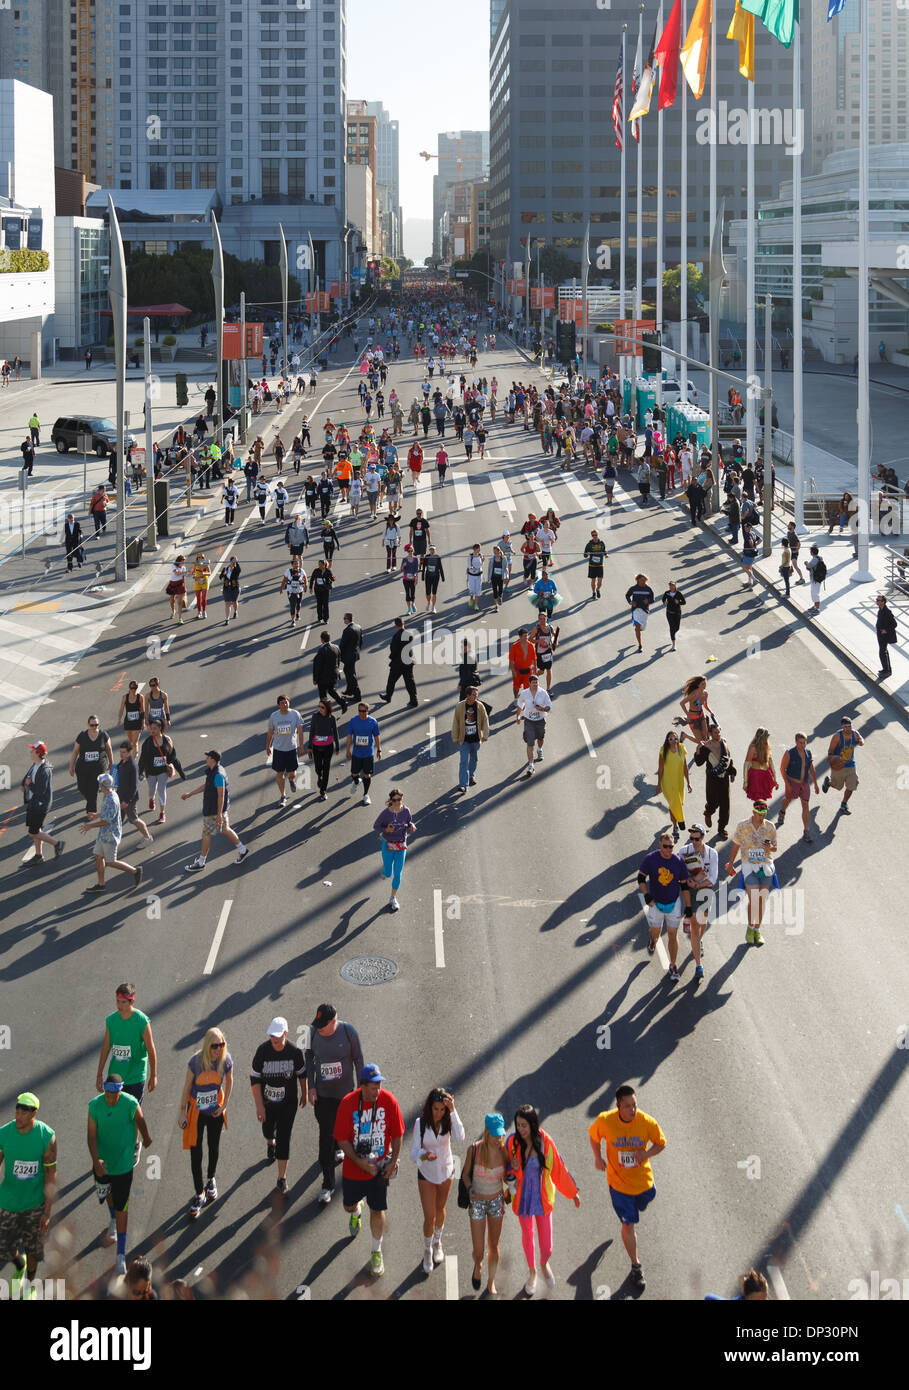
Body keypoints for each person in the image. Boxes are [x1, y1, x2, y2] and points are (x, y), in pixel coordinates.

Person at [588, 1085, 666, 1291]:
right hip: (619, 1186)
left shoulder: (646, 1122)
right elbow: (594, 1136)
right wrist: (598, 1158)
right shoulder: (606, 1121)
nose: (633, 1110)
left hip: (643, 1183)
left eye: (635, 1105)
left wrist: (646, 1155)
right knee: (629, 1224)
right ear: (618, 1106)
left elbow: (661, 1143)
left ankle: (635, 1210)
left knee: (649, 1197)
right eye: (628, 1106)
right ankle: (636, 1266)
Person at [333, 1063, 405, 1277]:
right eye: (373, 1087)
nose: (377, 1091)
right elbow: (341, 1139)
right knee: (348, 1206)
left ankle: (376, 1250)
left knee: (378, 1209)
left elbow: (398, 1134)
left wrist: (393, 1162)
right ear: (362, 1086)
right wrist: (357, 1161)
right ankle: (356, 1211)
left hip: (379, 1170)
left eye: (379, 1086)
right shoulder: (348, 1104)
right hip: (354, 1170)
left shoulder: (388, 1101)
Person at [505, 1104, 580, 1296]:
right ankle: (532, 1272)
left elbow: (559, 1170)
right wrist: (511, 1171)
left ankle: (544, 1262)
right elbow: (506, 1169)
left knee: (547, 1245)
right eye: (518, 1125)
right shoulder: (512, 1143)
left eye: (524, 1125)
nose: (520, 1130)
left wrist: (572, 1193)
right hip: (522, 1198)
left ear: (532, 1124)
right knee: (528, 1236)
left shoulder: (545, 1142)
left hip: (542, 1198)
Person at [87, 1075, 151, 1274]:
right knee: (107, 1196)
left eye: (115, 1093)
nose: (111, 1097)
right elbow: (91, 1136)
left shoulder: (130, 1103)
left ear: (120, 1090)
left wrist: (146, 1139)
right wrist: (96, 1161)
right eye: (108, 1093)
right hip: (103, 1165)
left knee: (123, 1206)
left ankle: (121, 1255)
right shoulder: (94, 1106)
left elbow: (140, 1120)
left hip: (123, 1165)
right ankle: (112, 1220)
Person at [0, 1093, 57, 1297]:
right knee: (4, 1247)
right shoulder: (3, 1134)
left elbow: (51, 1174)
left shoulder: (46, 1136)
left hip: (34, 1204)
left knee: (33, 1249)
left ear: (34, 1113)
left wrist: (47, 1211)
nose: (18, 1114)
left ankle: (30, 1284)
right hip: (7, 1202)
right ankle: (18, 1264)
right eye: (17, 1109)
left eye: (24, 1111)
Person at [179, 1029, 233, 1219]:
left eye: (222, 1045)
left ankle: (211, 1179)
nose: (219, 1049)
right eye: (215, 1046)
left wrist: (224, 1105)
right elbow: (187, 1087)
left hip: (215, 1111)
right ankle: (199, 1193)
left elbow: (230, 1081)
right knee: (195, 1152)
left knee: (213, 1147)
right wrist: (182, 1112)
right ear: (207, 1045)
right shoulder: (195, 1062)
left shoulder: (225, 1060)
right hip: (196, 1113)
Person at [411, 1087, 465, 1275]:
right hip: (426, 1174)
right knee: (429, 1215)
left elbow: (460, 1136)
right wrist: (426, 1155)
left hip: (446, 1172)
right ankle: (427, 1250)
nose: (439, 1113)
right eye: (436, 1109)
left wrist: (453, 1110)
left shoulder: (449, 1120)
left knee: (440, 1209)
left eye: (442, 1109)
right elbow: (413, 1155)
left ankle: (437, 1242)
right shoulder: (420, 1123)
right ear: (429, 1107)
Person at [250, 1017, 307, 1196]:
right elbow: (255, 1079)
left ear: (285, 1033)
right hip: (268, 1103)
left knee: (284, 1138)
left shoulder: (294, 1052)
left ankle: (281, 1178)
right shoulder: (262, 1051)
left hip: (288, 1104)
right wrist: (259, 1106)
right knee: (268, 1130)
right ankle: (270, 1141)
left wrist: (305, 1093)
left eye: (277, 1036)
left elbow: (302, 1074)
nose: (274, 1039)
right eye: (271, 1036)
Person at [637, 827, 694, 984]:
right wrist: (646, 895)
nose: (668, 849)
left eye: (671, 846)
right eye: (665, 846)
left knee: (672, 935)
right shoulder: (650, 859)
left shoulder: (678, 862)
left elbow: (684, 886)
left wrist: (688, 906)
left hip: (674, 903)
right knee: (655, 932)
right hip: (656, 903)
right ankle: (653, 941)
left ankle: (673, 965)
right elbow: (641, 878)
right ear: (660, 845)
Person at [462, 1113, 509, 1297]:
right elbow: (465, 1175)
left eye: (501, 1135)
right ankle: (478, 1264)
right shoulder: (474, 1150)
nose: (498, 1139)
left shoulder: (504, 1152)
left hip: (496, 1201)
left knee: (494, 1244)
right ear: (487, 1132)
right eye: (495, 1135)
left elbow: (506, 1179)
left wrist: (511, 1174)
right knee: (479, 1250)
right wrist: (470, 1188)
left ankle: (491, 1282)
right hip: (477, 1202)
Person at [182, 750, 249, 871]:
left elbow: (221, 795)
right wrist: (190, 794)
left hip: (213, 810)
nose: (206, 758)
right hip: (217, 809)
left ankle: (201, 862)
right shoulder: (215, 770)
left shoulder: (217, 774)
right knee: (225, 829)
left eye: (208, 757)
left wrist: (218, 814)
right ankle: (243, 850)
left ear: (212, 759)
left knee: (206, 834)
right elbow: (207, 786)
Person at [96, 983, 157, 1107]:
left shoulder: (142, 1021)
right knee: (115, 1113)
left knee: (133, 1114)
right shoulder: (111, 1021)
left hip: (136, 1077)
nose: (119, 1005)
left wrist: (153, 1075)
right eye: (117, 1001)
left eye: (123, 1002)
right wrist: (99, 1074)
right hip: (115, 1077)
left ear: (131, 1001)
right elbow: (106, 1047)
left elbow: (151, 1049)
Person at [727, 800, 778, 946]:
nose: (761, 817)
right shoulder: (742, 826)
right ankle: (749, 928)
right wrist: (731, 864)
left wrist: (770, 847)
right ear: (753, 812)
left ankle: (757, 929)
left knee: (762, 900)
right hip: (749, 865)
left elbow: (775, 848)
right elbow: (736, 845)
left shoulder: (770, 827)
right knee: (754, 899)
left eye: (764, 814)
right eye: (759, 814)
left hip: (766, 866)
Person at [80, 773, 142, 892]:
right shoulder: (108, 794)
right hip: (104, 834)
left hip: (110, 835)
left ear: (103, 785)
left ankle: (135, 871)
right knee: (98, 856)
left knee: (111, 862)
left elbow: (107, 821)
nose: (98, 785)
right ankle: (101, 884)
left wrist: (90, 826)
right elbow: (106, 813)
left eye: (100, 784)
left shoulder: (111, 799)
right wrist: (96, 815)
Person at [678, 824, 718, 982]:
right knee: (695, 925)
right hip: (690, 889)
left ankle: (698, 941)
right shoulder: (684, 851)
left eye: (697, 838)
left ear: (703, 837)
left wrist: (698, 884)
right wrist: (688, 881)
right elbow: (678, 871)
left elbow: (713, 878)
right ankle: (698, 966)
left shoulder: (712, 853)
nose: (694, 841)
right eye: (692, 838)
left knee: (703, 923)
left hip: (705, 889)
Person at [373, 788, 416, 911]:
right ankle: (385, 872)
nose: (397, 802)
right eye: (394, 800)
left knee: (398, 873)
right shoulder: (385, 813)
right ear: (390, 800)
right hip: (388, 845)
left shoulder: (406, 810)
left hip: (401, 845)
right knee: (388, 872)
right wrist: (386, 830)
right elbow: (376, 826)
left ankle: (393, 898)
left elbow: (409, 822)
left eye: (399, 799)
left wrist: (412, 826)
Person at [21, 742, 64, 863]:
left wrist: (29, 785)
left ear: (38, 754)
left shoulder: (44, 770)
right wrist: (23, 784)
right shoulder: (36, 764)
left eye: (32, 751)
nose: (30, 752)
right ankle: (38, 855)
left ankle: (57, 843)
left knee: (33, 832)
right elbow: (28, 776)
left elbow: (40, 791)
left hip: (40, 805)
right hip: (34, 803)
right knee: (36, 830)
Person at [693, 723, 736, 840]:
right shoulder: (706, 746)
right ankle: (708, 813)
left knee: (725, 805)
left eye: (719, 732)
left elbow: (728, 759)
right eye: (715, 732)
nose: (718, 734)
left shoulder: (724, 743)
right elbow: (699, 762)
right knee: (713, 801)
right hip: (712, 780)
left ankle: (721, 828)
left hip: (724, 779)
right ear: (710, 734)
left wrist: (732, 772)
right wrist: (698, 750)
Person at [137, 718, 184, 823]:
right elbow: (142, 758)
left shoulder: (167, 740)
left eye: (154, 728)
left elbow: (173, 757)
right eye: (150, 728)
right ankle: (151, 799)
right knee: (151, 789)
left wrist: (181, 772)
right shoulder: (148, 742)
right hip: (151, 771)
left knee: (162, 790)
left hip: (163, 771)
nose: (151, 731)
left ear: (160, 728)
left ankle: (162, 813)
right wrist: (140, 772)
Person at [777, 733, 820, 843]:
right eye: (800, 742)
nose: (803, 745)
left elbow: (811, 769)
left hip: (804, 784)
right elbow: (782, 769)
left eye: (804, 742)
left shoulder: (808, 753)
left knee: (805, 805)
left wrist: (815, 783)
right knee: (787, 800)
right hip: (792, 783)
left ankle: (806, 831)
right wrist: (787, 784)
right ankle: (782, 812)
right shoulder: (789, 753)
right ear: (796, 742)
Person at [266, 694, 305, 806]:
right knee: (279, 773)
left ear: (289, 703)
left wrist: (301, 746)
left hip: (291, 749)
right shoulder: (274, 716)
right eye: (282, 702)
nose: (285, 704)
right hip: (278, 750)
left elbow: (300, 731)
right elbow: (270, 733)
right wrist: (267, 746)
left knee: (292, 773)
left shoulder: (295, 714)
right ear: (278, 705)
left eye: (286, 702)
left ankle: (291, 780)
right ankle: (283, 796)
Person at [821, 714, 863, 814]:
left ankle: (844, 803)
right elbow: (830, 751)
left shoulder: (854, 733)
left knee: (851, 785)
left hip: (851, 765)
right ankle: (828, 782)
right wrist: (834, 759)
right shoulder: (837, 737)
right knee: (838, 786)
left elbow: (861, 740)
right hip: (839, 766)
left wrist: (861, 741)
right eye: (845, 727)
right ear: (842, 727)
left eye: (849, 726)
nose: (848, 728)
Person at [114, 743, 154, 845]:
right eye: (120, 752)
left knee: (134, 819)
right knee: (118, 819)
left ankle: (147, 837)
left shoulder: (132, 766)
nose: (121, 754)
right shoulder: (123, 762)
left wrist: (127, 801)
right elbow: (118, 768)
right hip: (120, 796)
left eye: (124, 752)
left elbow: (134, 787)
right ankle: (113, 840)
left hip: (128, 799)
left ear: (129, 752)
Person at [451, 685, 490, 793]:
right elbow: (456, 722)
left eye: (476, 694)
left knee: (474, 759)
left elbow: (485, 720)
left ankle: (471, 775)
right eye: (474, 694)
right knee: (463, 761)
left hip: (476, 738)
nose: (476, 696)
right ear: (467, 695)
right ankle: (463, 785)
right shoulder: (460, 706)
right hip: (464, 739)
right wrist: (455, 736)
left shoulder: (480, 706)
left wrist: (485, 734)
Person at [346, 702, 381, 806]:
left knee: (367, 774)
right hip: (357, 753)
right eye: (359, 711)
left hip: (368, 753)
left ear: (368, 711)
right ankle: (356, 781)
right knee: (354, 774)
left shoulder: (373, 721)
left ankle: (365, 794)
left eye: (363, 711)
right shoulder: (353, 721)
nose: (361, 713)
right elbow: (349, 736)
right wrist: (348, 750)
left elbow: (376, 736)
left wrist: (379, 749)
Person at [658, 732, 691, 842]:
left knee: (679, 803)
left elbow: (685, 766)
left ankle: (677, 822)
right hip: (668, 782)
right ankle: (676, 826)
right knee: (674, 803)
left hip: (679, 782)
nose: (673, 740)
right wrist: (659, 784)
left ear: (677, 739)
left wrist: (688, 782)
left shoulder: (681, 748)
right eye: (670, 738)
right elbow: (661, 768)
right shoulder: (664, 750)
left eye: (675, 738)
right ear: (667, 740)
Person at [516, 675, 551, 776]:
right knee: (530, 742)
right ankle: (531, 766)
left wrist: (543, 709)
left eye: (537, 682)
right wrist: (518, 716)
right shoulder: (524, 693)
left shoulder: (543, 693)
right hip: (529, 721)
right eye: (533, 683)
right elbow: (520, 704)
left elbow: (549, 706)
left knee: (540, 737)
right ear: (529, 683)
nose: (535, 684)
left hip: (540, 720)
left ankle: (539, 749)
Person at [307, 697, 341, 802]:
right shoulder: (315, 717)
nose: (319, 708)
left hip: (328, 747)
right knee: (318, 768)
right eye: (319, 706)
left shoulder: (332, 718)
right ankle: (319, 776)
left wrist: (337, 746)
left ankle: (323, 791)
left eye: (322, 707)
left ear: (327, 708)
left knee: (326, 769)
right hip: (317, 747)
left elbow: (335, 732)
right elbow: (312, 731)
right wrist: (309, 747)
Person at [383, 616, 419, 707]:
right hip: (407, 661)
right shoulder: (409, 634)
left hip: (398, 663)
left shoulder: (396, 636)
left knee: (391, 680)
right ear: (404, 624)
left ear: (396, 625)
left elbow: (394, 650)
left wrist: (391, 657)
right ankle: (414, 699)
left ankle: (388, 696)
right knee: (409, 681)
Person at [312, 631, 347, 712]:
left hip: (323, 677)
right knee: (332, 690)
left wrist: (315, 679)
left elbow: (317, 666)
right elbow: (338, 660)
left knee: (323, 695)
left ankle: (325, 711)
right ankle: (342, 702)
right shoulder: (336, 647)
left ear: (322, 639)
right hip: (333, 675)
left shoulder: (322, 650)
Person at [743, 728, 778, 803]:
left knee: (763, 799)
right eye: (766, 736)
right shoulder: (753, 748)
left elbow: (770, 762)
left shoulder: (767, 746)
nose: (767, 738)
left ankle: (761, 813)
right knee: (758, 799)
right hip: (756, 776)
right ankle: (759, 813)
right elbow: (746, 764)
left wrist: (775, 778)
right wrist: (745, 782)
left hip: (766, 775)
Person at [625, 574, 655, 654]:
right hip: (636, 610)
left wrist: (648, 601)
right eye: (642, 580)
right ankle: (640, 645)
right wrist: (630, 602)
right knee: (638, 627)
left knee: (642, 628)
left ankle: (637, 630)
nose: (644, 582)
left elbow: (652, 599)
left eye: (645, 580)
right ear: (638, 580)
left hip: (644, 611)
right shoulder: (633, 588)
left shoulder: (648, 589)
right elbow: (627, 595)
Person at [338, 612, 363, 699]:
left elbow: (342, 644)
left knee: (350, 674)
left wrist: (339, 654)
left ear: (347, 619)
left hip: (349, 656)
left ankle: (357, 694)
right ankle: (349, 690)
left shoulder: (347, 630)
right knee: (349, 671)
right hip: (355, 654)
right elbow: (360, 641)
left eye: (344, 618)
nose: (343, 620)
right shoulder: (358, 627)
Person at [280, 557, 308, 629]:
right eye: (295, 564)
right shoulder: (288, 571)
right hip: (291, 591)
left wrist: (306, 586)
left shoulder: (302, 571)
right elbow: (284, 580)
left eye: (298, 564)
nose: (297, 565)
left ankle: (297, 613)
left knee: (298, 604)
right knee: (292, 605)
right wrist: (281, 588)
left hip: (299, 591)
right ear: (292, 565)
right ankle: (293, 620)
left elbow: (305, 579)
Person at [509, 628, 537, 697]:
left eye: (527, 636)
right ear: (520, 636)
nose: (526, 638)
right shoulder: (514, 646)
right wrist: (513, 672)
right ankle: (516, 698)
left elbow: (534, 659)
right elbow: (511, 661)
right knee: (516, 687)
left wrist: (535, 671)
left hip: (528, 671)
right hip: (517, 671)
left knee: (527, 689)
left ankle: (526, 701)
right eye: (524, 636)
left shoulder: (531, 645)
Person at [876, 593, 898, 680]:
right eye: (876, 600)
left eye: (878, 600)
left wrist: (886, 630)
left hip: (884, 635)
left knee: (882, 652)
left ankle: (887, 670)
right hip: (880, 634)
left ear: (883, 602)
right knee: (883, 652)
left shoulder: (887, 612)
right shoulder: (880, 610)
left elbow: (894, 624)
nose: (876, 601)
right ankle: (886, 669)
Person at [661, 581, 686, 651]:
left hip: (677, 613)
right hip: (669, 613)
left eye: (673, 586)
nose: (671, 587)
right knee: (672, 628)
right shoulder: (667, 593)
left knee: (677, 628)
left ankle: (673, 634)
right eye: (670, 586)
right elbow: (663, 599)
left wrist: (679, 602)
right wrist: (664, 602)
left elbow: (684, 602)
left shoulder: (678, 593)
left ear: (675, 586)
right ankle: (674, 644)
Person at [584, 530, 607, 599]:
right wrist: (587, 554)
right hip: (592, 565)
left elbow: (604, 551)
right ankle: (593, 593)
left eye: (596, 535)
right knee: (593, 580)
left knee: (600, 580)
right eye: (593, 535)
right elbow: (584, 555)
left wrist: (606, 554)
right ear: (591, 536)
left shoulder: (601, 543)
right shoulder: (589, 544)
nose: (594, 537)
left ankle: (598, 589)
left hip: (600, 565)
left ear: (598, 535)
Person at [310, 559, 334, 624]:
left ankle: (326, 619)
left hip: (325, 590)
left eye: (321, 564)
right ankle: (319, 618)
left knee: (325, 604)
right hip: (317, 589)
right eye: (319, 564)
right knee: (319, 604)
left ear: (324, 565)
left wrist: (332, 578)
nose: (319, 565)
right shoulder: (316, 571)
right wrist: (310, 588)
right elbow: (312, 579)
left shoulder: (328, 571)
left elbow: (332, 579)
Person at [422, 546, 445, 613]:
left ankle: (433, 607)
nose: (432, 551)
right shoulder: (426, 557)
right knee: (428, 592)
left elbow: (440, 567)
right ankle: (429, 603)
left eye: (433, 549)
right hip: (428, 576)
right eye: (431, 549)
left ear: (435, 550)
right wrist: (423, 576)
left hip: (436, 576)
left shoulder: (438, 557)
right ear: (429, 550)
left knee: (434, 592)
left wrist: (443, 577)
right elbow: (423, 567)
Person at [219, 556, 241, 624]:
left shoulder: (237, 569)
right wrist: (223, 574)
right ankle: (227, 619)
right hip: (226, 588)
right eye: (233, 561)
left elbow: (239, 570)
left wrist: (236, 563)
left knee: (234, 602)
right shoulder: (226, 568)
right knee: (227, 603)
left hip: (234, 587)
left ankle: (235, 611)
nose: (235, 562)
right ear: (230, 561)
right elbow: (220, 577)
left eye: (236, 561)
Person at [805, 545, 825, 613]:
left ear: (812, 552)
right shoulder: (820, 558)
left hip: (815, 579)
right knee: (814, 592)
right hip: (818, 578)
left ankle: (817, 608)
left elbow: (808, 566)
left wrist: (806, 563)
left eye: (810, 551)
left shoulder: (814, 559)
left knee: (815, 593)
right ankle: (815, 606)